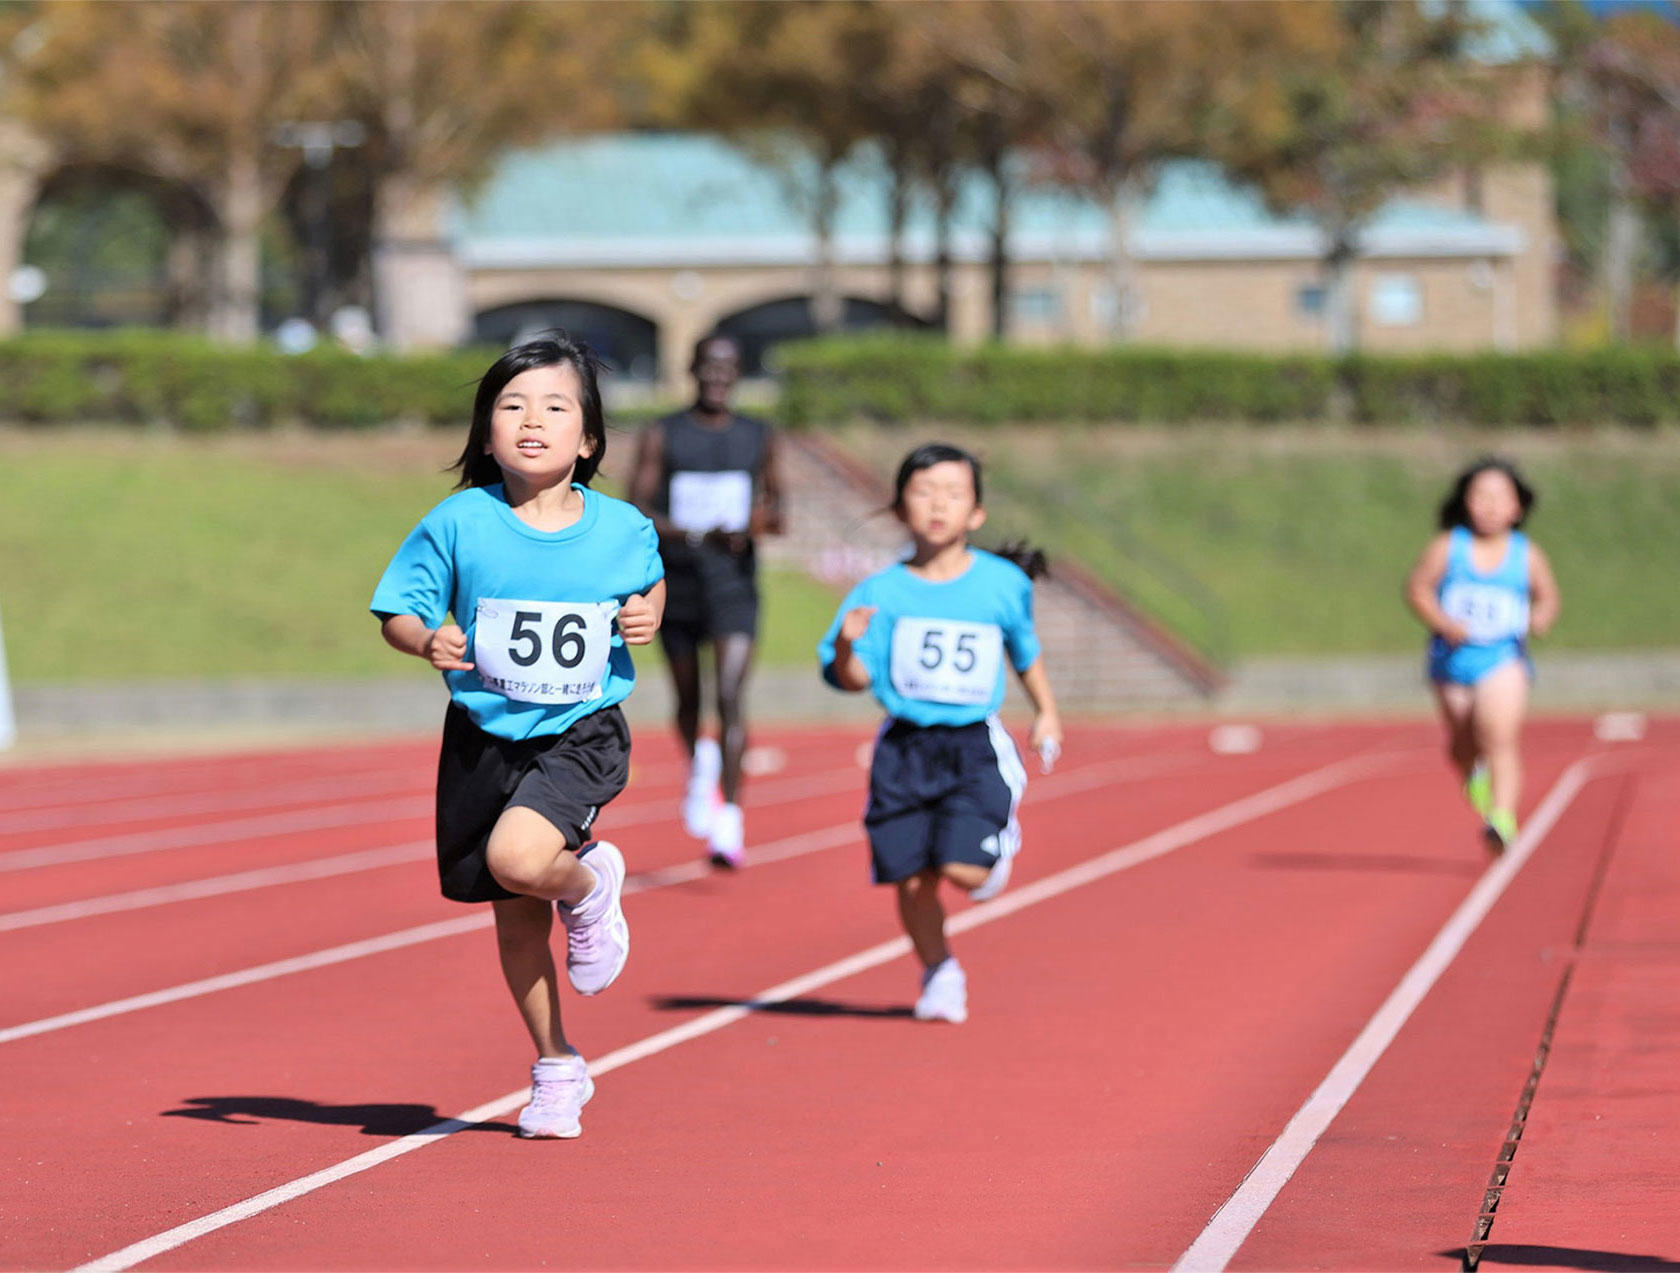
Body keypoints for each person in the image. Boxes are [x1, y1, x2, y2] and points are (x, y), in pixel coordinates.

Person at [371, 333, 666, 1140]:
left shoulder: (622, 527)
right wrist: (424, 638)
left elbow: (648, 583)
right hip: (483, 734)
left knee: (521, 861)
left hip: (579, 728)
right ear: (486, 430)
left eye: (554, 406)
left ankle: (589, 883)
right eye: (512, 405)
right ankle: (556, 1063)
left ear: (590, 439)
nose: (532, 420)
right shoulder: (459, 522)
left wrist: (650, 614)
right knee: (511, 917)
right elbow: (399, 608)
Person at [817, 443, 1063, 1024]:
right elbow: (850, 678)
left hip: (971, 744)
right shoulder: (879, 592)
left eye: (953, 493)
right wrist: (850, 643)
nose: (937, 505)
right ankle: (939, 970)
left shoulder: (1002, 584)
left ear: (976, 514)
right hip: (903, 748)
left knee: (963, 872)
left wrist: (1046, 711)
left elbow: (1025, 653)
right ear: (901, 508)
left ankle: (995, 846)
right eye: (923, 491)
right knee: (910, 876)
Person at [628, 333, 784, 868]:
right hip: (677, 583)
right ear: (693, 369)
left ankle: (731, 819)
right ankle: (701, 766)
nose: (718, 376)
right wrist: (693, 533)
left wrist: (751, 525)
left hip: (734, 583)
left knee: (732, 696)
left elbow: (779, 509)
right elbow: (639, 506)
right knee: (689, 701)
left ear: (739, 373)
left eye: (729, 367)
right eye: (709, 366)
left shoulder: (758, 435)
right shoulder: (663, 433)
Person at [1404, 456, 1559, 854]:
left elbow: (1547, 596)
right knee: (1462, 741)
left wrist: (1540, 616)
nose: (1489, 506)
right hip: (1452, 659)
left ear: (1516, 507)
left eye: (1499, 497)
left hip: (1502, 657)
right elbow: (1417, 589)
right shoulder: (1448, 547)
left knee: (1499, 738)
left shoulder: (1526, 554)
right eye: (1481, 496)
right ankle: (1472, 772)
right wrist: (1442, 621)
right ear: (1465, 502)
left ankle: (1501, 818)